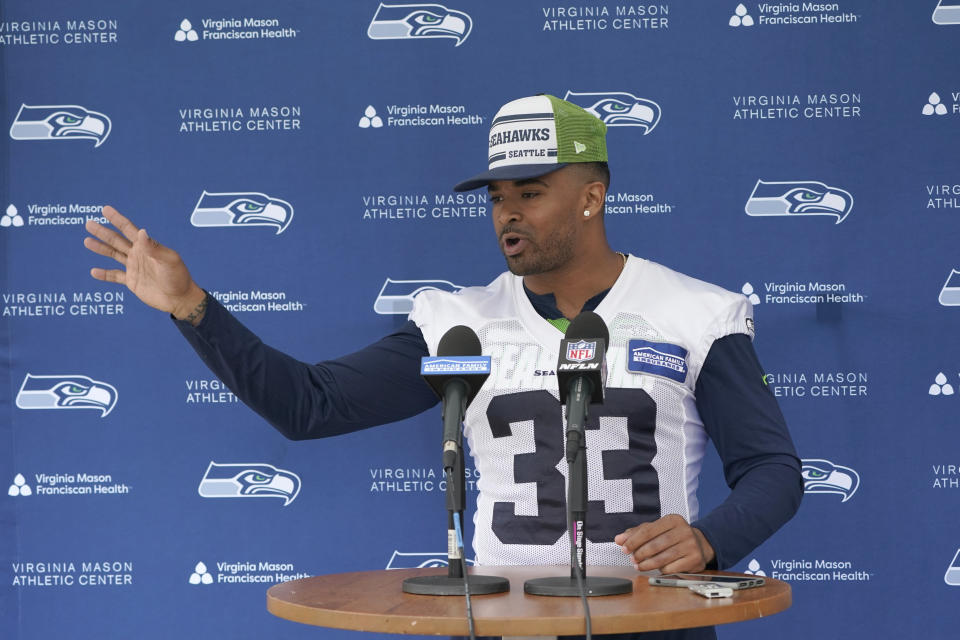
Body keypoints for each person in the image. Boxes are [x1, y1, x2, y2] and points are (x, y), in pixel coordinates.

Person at [84, 94, 802, 640]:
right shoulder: (461, 322)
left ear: (591, 197)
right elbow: (311, 406)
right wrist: (192, 307)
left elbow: (772, 468)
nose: (507, 214)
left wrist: (711, 539)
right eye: (496, 197)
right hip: (500, 622)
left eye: (530, 192)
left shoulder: (694, 311)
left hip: (650, 620)